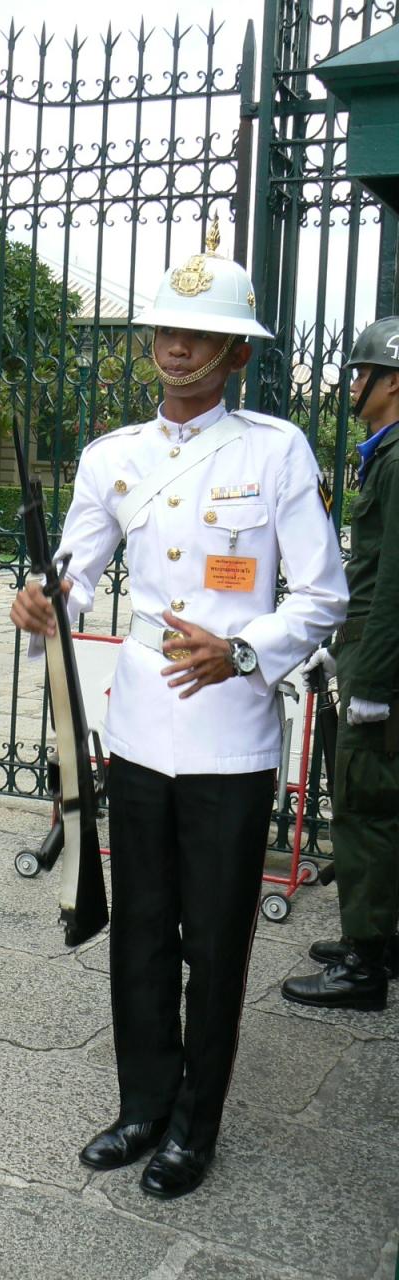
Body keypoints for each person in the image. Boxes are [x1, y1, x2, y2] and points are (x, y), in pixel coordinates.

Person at [10, 228, 348, 1199]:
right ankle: (142, 1104)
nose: (178, 346)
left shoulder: (275, 451)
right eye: (166, 329)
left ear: (236, 351)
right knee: (142, 927)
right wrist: (43, 605)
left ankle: (196, 1125)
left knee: (216, 938)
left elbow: (322, 594)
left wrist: (242, 649)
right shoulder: (112, 457)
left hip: (232, 733)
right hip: (142, 729)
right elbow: (73, 576)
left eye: (201, 334)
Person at [282, 317, 399, 1012]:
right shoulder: (384, 454)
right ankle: (382, 940)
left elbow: (395, 586)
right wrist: (342, 641)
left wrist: (373, 680)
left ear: (394, 382)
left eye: (362, 373)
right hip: (369, 652)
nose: (353, 384)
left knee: (366, 808)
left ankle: (364, 966)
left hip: (386, 670)